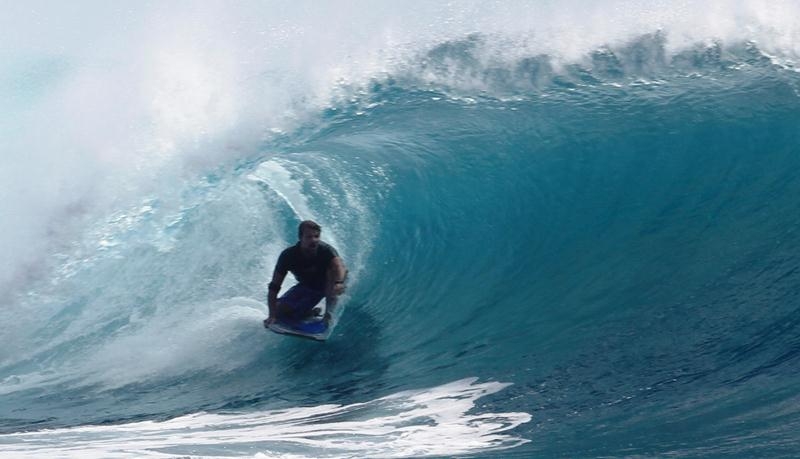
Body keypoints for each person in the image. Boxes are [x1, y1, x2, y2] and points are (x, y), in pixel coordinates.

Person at [263, 220, 347, 327]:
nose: (314, 240)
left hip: (331, 283)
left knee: (332, 271)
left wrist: (339, 283)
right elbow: (274, 286)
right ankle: (308, 312)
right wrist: (272, 315)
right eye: (309, 237)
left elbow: (339, 266)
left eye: (316, 236)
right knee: (278, 311)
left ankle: (328, 315)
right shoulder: (288, 256)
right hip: (308, 285)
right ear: (300, 237)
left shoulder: (325, 250)